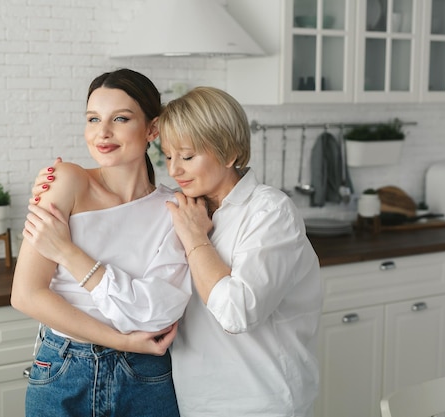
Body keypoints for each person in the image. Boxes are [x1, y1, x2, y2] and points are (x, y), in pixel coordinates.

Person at [33, 86, 322, 417]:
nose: (174, 170)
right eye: (168, 156)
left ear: (229, 154)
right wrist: (58, 182)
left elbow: (237, 312)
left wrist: (196, 239)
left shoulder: (269, 212)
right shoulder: (182, 207)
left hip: (259, 400)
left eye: (187, 157)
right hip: (191, 399)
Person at [11, 68, 191, 417]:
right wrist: (122, 341)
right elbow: (26, 294)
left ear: (152, 129)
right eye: (93, 119)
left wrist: (68, 252)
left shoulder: (174, 208)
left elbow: (156, 312)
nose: (102, 133)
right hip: (65, 368)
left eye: (120, 118)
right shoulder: (66, 180)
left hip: (145, 375)